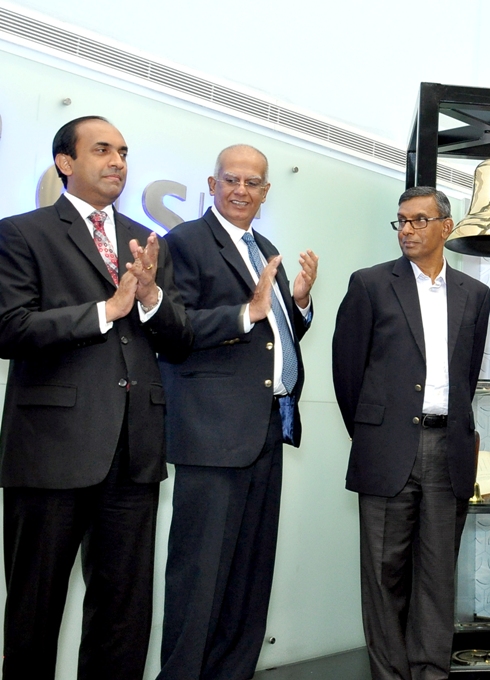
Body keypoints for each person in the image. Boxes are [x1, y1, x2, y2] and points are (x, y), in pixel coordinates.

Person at [0, 116, 192, 679]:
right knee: (35, 611)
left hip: (134, 452)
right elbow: (9, 328)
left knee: (124, 613)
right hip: (52, 453)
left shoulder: (147, 239)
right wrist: (106, 311)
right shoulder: (22, 232)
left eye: (124, 152)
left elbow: (177, 342)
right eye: (102, 150)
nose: (117, 162)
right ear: (65, 162)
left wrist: (152, 297)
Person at [156, 144, 318, 680]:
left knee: (249, 576)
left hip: (266, 430)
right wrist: (245, 312)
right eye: (232, 180)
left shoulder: (262, 244)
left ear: (266, 192)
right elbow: (172, 332)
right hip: (212, 435)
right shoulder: (184, 242)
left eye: (253, 183)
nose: (242, 191)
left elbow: (271, 340)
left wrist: (295, 305)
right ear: (211, 183)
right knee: (199, 580)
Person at [333, 186, 490, 680]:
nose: (407, 230)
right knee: (384, 575)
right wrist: (374, 433)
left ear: (446, 226)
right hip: (388, 448)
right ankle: (389, 674)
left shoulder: (475, 294)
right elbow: (347, 374)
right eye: (401, 221)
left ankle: (430, 672)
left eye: (419, 221)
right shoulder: (369, 284)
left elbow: (467, 373)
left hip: (450, 449)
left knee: (437, 574)